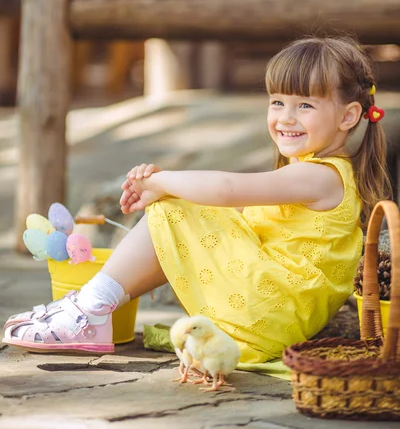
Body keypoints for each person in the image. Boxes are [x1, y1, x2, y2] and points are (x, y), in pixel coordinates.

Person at [3, 36, 392, 362]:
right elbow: (228, 212)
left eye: (305, 105)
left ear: (348, 116)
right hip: (272, 309)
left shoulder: (320, 175)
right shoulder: (312, 172)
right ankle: (93, 308)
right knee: (181, 215)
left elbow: (226, 190)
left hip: (270, 308)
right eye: (277, 102)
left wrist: (163, 183)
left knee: (174, 209)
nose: (286, 118)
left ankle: (88, 309)